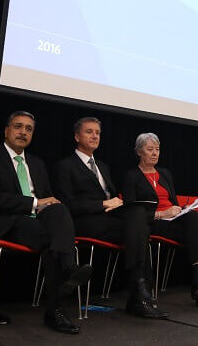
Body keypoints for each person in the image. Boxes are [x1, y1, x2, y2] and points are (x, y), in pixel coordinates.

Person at [0, 111, 92, 334]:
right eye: (18, 126)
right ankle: (57, 304)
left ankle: (66, 271)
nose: (23, 132)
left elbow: (48, 198)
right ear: (6, 130)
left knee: (59, 209)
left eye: (28, 129)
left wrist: (48, 204)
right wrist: (35, 203)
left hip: (36, 221)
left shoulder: (36, 163)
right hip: (6, 222)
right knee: (52, 243)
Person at [52, 117, 168, 319]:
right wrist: (102, 204)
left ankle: (139, 293)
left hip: (111, 218)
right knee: (140, 231)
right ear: (77, 136)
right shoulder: (65, 165)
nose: (95, 136)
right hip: (85, 221)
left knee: (139, 221)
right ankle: (138, 294)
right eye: (89, 132)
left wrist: (117, 203)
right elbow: (66, 204)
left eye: (97, 132)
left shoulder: (103, 166)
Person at [122, 133, 198, 309]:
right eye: (150, 149)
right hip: (151, 223)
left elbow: (172, 201)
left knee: (194, 217)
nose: (154, 153)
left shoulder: (165, 174)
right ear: (139, 152)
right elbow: (131, 210)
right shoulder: (132, 176)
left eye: (157, 149)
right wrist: (162, 214)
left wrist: (179, 210)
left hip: (173, 219)